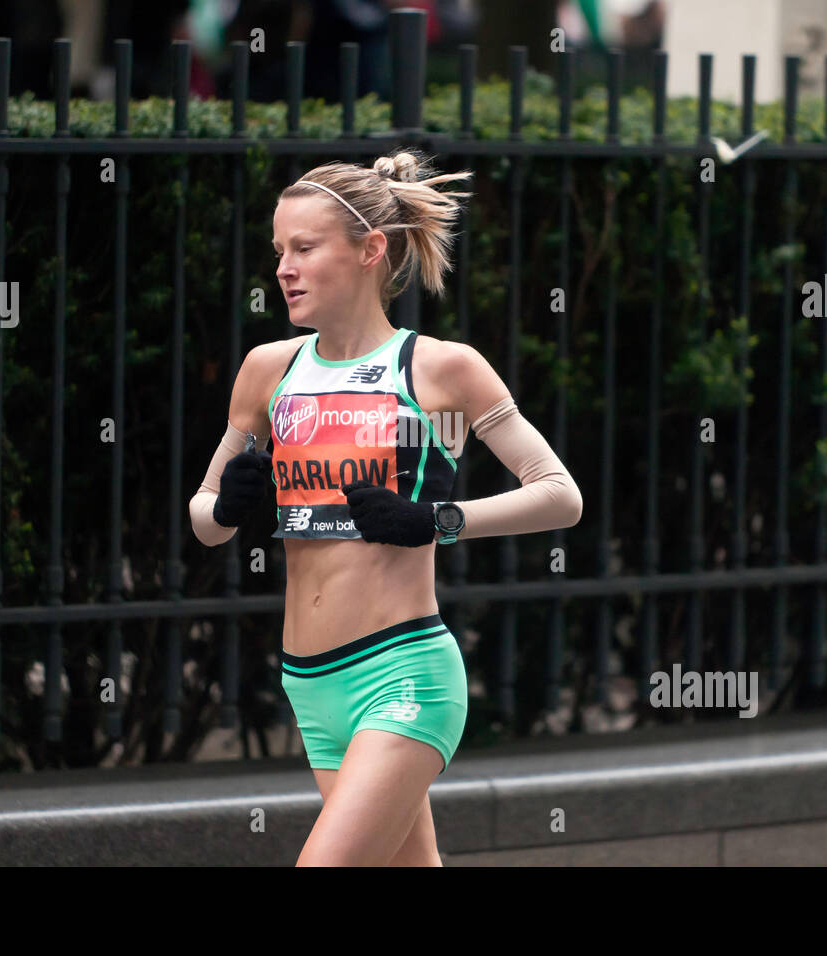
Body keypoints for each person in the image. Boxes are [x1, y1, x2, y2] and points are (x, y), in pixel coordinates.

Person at [189, 148, 582, 866]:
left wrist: (438, 521)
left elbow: (560, 495)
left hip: (402, 675)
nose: (283, 267)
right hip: (310, 684)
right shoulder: (268, 369)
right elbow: (205, 518)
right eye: (279, 249)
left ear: (371, 251)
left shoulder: (438, 367)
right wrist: (227, 506)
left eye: (304, 248)